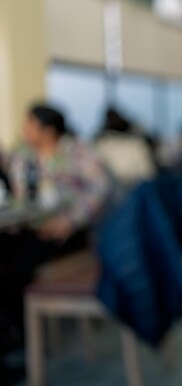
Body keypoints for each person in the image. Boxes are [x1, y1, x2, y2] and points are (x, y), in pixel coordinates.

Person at [0, 103, 111, 348]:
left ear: (47, 130)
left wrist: (70, 220)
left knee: (16, 268)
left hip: (68, 231)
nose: (24, 129)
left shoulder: (76, 152)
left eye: (29, 124)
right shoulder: (23, 154)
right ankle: (12, 330)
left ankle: (23, 335)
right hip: (28, 228)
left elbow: (101, 187)